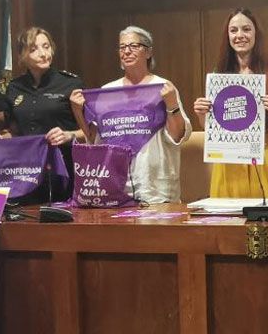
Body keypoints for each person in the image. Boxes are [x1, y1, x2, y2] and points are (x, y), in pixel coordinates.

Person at [70, 26, 191, 204]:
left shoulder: (164, 87)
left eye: (134, 46)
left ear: (148, 52)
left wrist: (172, 103)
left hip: (156, 191)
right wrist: (77, 111)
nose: (127, 51)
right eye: (122, 47)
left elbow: (177, 136)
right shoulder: (107, 92)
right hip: (116, 191)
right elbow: (97, 141)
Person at [192, 8, 268, 203]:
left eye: (246, 29)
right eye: (234, 31)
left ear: (256, 34)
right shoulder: (219, 74)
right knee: (229, 225)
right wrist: (201, 112)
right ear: (228, 36)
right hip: (228, 159)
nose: (240, 35)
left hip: (264, 155)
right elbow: (209, 126)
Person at [0, 27, 84, 203]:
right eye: (34, 49)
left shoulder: (70, 83)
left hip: (62, 170)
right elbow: (13, 132)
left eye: (46, 46)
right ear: (22, 55)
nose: (43, 54)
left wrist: (68, 135)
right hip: (26, 173)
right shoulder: (14, 87)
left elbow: (89, 134)